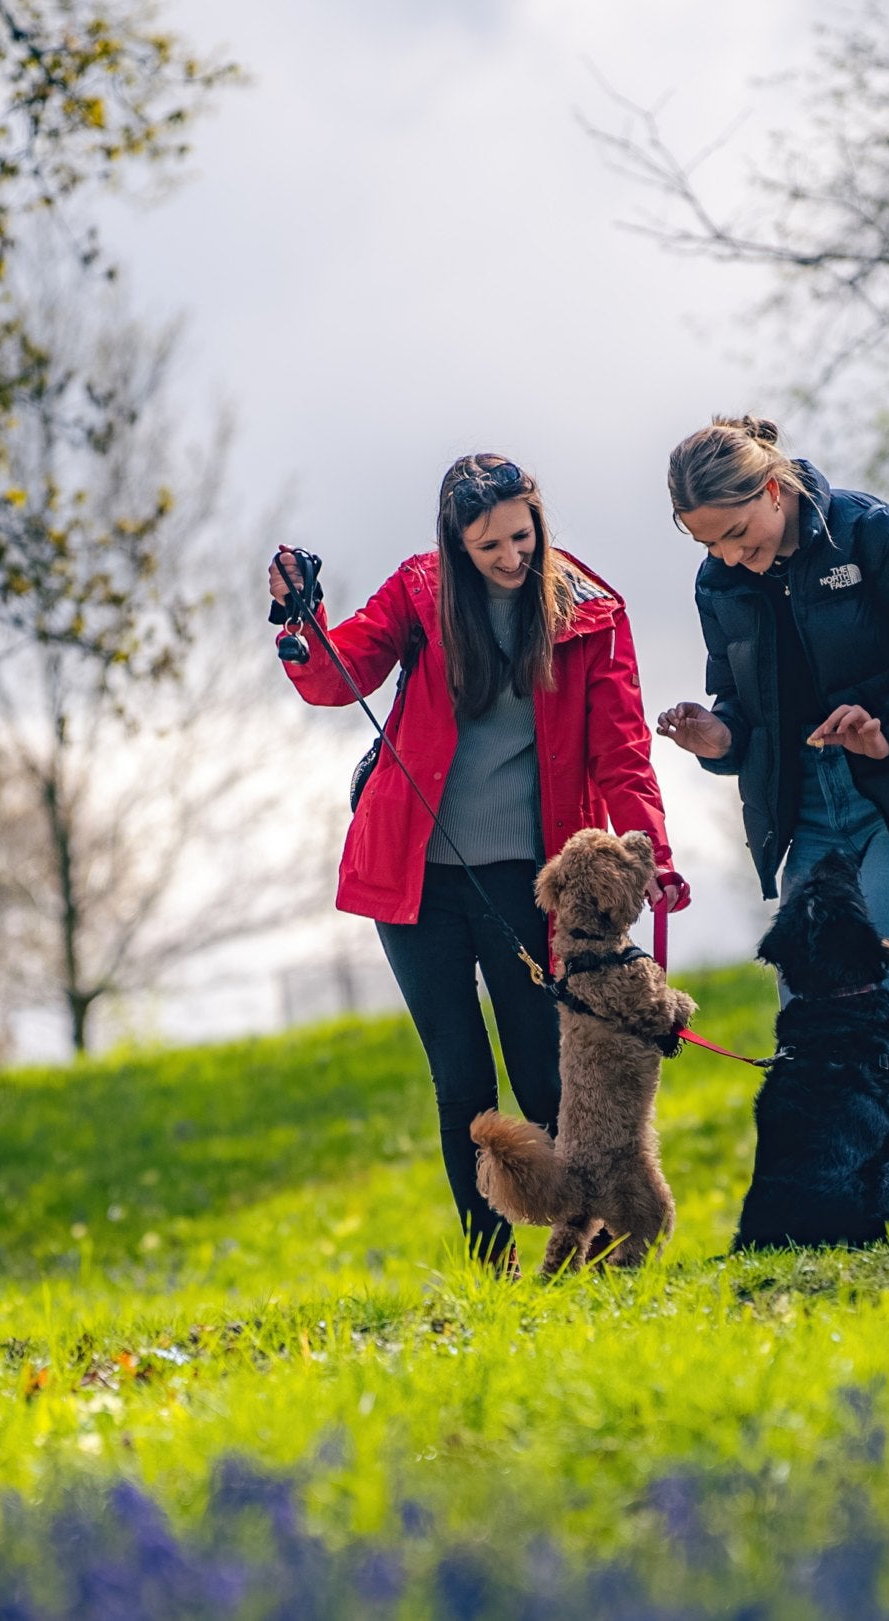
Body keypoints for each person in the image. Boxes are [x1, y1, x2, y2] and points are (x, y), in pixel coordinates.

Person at [275, 454, 687, 1266]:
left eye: (521, 536)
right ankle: (488, 1261)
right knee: (460, 1078)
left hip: (529, 881)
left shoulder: (592, 613)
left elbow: (623, 752)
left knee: (548, 1071)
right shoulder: (420, 593)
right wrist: (299, 620)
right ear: (456, 543)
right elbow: (340, 671)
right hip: (415, 872)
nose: (510, 557)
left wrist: (654, 857)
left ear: (539, 522)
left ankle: (592, 1247)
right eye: (488, 545)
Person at [653, 416, 889, 1219]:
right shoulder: (722, 582)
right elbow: (745, 707)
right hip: (809, 814)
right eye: (712, 548)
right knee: (816, 1025)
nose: (733, 558)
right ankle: (846, 1212)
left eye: (740, 534)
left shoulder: (883, 539)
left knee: (883, 1015)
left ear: (774, 489)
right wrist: (719, 737)